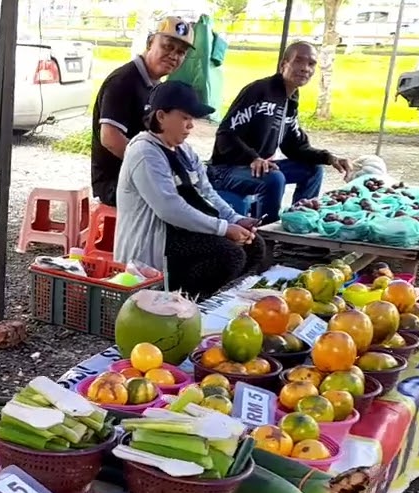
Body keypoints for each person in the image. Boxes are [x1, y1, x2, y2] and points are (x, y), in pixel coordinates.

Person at [115, 80, 261, 300]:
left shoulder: (183, 150)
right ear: (161, 116)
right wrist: (223, 228)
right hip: (155, 243)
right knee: (229, 255)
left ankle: (198, 298)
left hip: (182, 233)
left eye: (191, 119)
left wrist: (235, 219)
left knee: (254, 245)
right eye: (185, 118)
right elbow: (170, 209)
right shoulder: (145, 152)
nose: (191, 125)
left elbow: (207, 192)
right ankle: (176, 301)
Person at [208, 42, 352, 224]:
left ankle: (299, 221)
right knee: (273, 178)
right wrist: (253, 158)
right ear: (284, 64)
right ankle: (266, 235)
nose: (305, 69)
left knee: (313, 170)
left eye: (311, 64)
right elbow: (225, 135)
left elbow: (295, 147)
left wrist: (329, 158)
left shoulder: (290, 99)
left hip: (258, 168)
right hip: (225, 170)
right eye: (298, 61)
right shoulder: (259, 90)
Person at [90, 16, 194, 207]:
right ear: (149, 43)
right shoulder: (123, 81)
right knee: (184, 205)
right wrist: (154, 169)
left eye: (181, 52)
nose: (174, 56)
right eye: (168, 46)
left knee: (199, 188)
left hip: (141, 174)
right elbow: (110, 138)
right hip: (116, 181)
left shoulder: (156, 86)